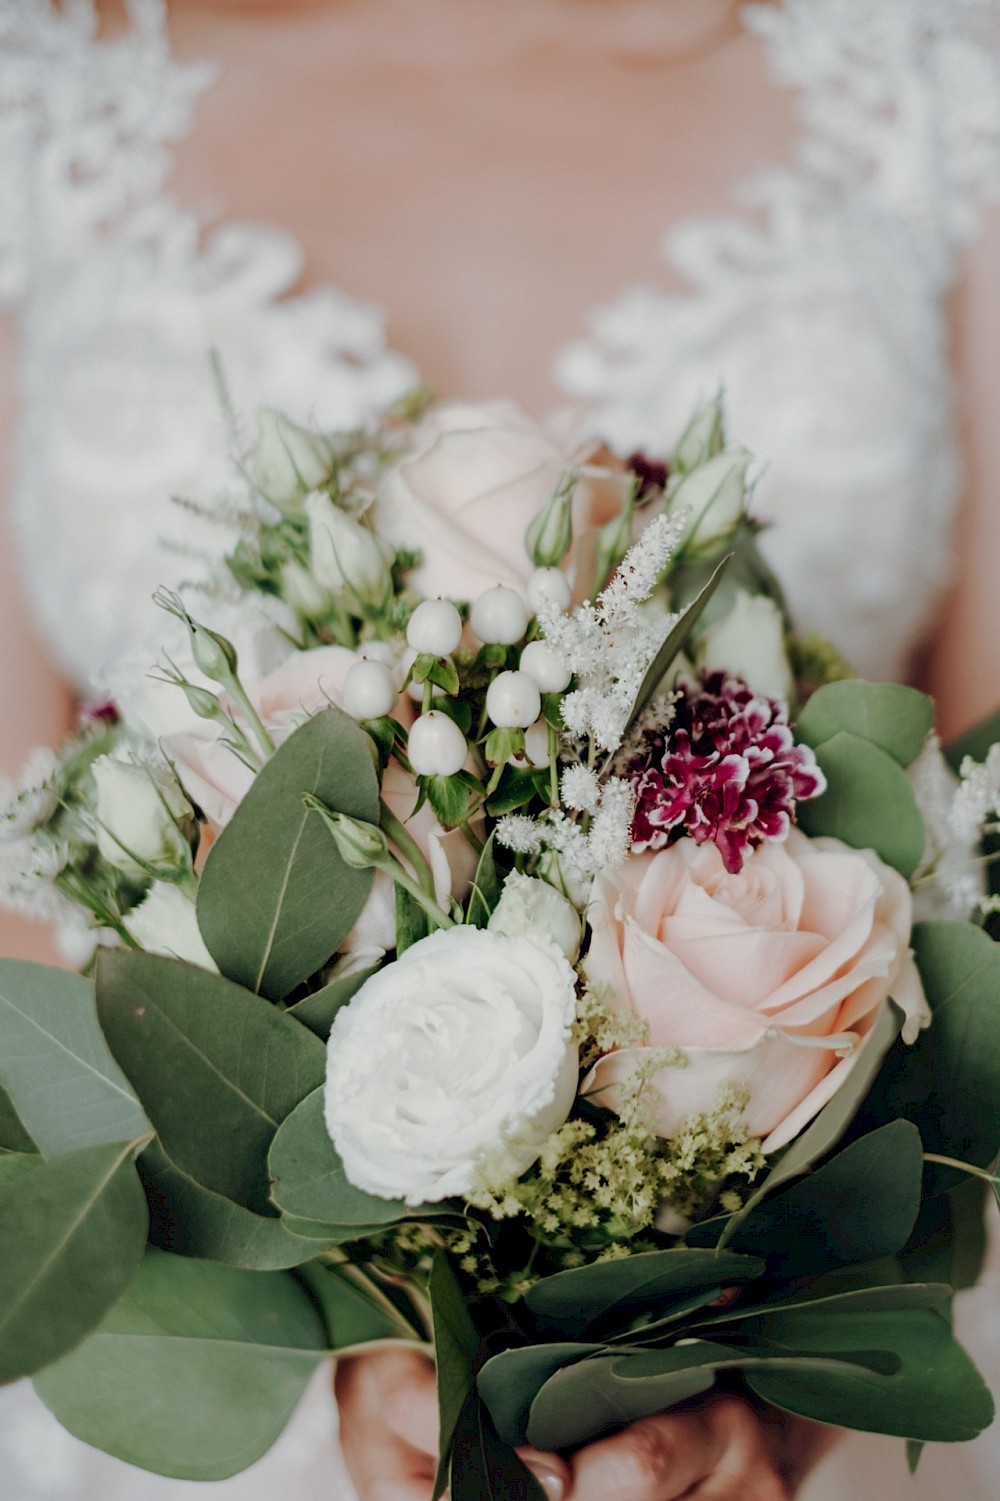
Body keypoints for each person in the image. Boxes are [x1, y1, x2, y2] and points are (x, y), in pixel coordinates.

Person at [1, 1, 999, 1497]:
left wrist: (770, 1395)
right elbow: (23, 920)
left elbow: (984, 852)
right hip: (211, 1347)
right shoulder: (38, 105)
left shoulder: (942, 98)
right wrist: (373, 1325)